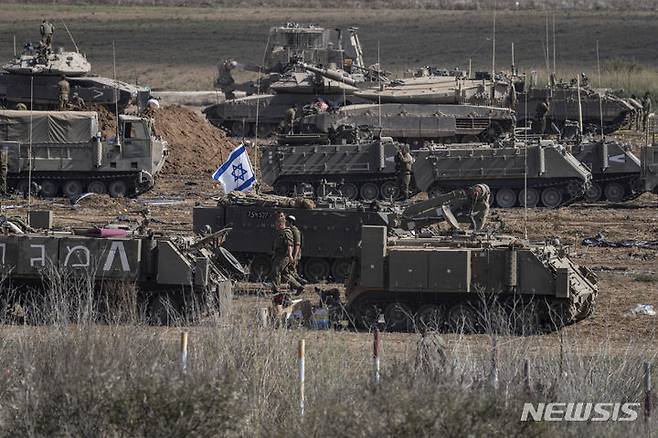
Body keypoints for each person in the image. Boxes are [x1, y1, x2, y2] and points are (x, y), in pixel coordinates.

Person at [270, 212, 303, 305]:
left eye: (277, 224)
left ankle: (275, 291)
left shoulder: (287, 232)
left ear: (281, 224)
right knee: (285, 274)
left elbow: (290, 245)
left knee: (275, 271)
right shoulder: (282, 232)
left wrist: (291, 256)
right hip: (280, 255)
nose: (275, 225)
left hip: (284, 256)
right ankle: (298, 286)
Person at [286, 215, 307, 285]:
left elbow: (297, 244)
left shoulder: (295, 231)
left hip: (294, 253)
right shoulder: (290, 230)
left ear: (291, 222)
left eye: (287, 221)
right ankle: (298, 284)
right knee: (291, 271)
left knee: (291, 271)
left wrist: (294, 256)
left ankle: (299, 284)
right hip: (291, 253)